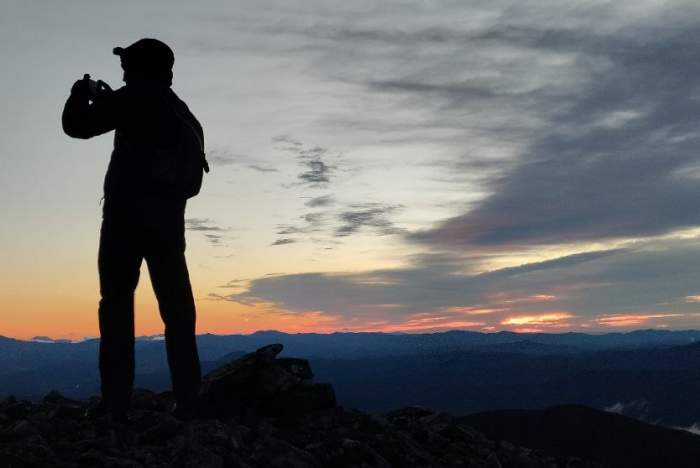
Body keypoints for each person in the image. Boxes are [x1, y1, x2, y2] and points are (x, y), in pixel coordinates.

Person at [62, 38, 203, 421]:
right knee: (177, 310)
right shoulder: (179, 109)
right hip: (168, 224)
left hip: (125, 221)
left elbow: (77, 127)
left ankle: (115, 403)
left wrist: (79, 95)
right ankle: (189, 399)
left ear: (140, 69)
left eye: (128, 66)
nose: (123, 72)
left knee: (116, 306)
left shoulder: (132, 99)